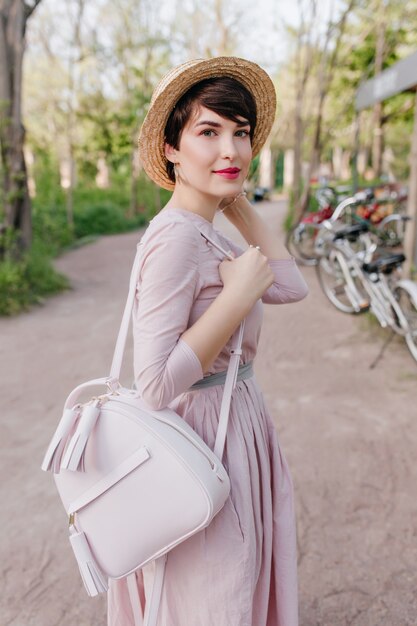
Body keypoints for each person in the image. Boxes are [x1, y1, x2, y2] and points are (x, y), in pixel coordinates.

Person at [107, 56, 309, 626]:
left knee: (233, 584)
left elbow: (291, 286)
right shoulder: (175, 239)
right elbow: (152, 384)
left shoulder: (207, 228)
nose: (232, 150)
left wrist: (234, 199)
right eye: (208, 132)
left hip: (233, 423)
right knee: (214, 592)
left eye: (241, 134)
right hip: (201, 435)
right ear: (172, 149)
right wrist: (235, 297)